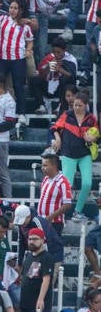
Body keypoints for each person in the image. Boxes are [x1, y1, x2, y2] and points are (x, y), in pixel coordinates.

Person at [50, 91, 97, 221]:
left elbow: (96, 135)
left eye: (80, 106)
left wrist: (92, 138)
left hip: (85, 154)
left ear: (86, 105)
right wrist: (57, 138)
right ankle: (62, 211)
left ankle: (78, 211)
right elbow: (54, 128)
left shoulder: (91, 118)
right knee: (67, 184)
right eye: (75, 105)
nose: (76, 108)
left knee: (87, 183)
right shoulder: (66, 115)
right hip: (68, 154)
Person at [20, 229, 58, 312]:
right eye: (30, 239)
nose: (32, 241)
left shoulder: (46, 257)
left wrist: (41, 299)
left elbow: (46, 280)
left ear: (42, 240)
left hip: (39, 302)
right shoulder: (28, 256)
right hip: (26, 301)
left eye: (35, 239)